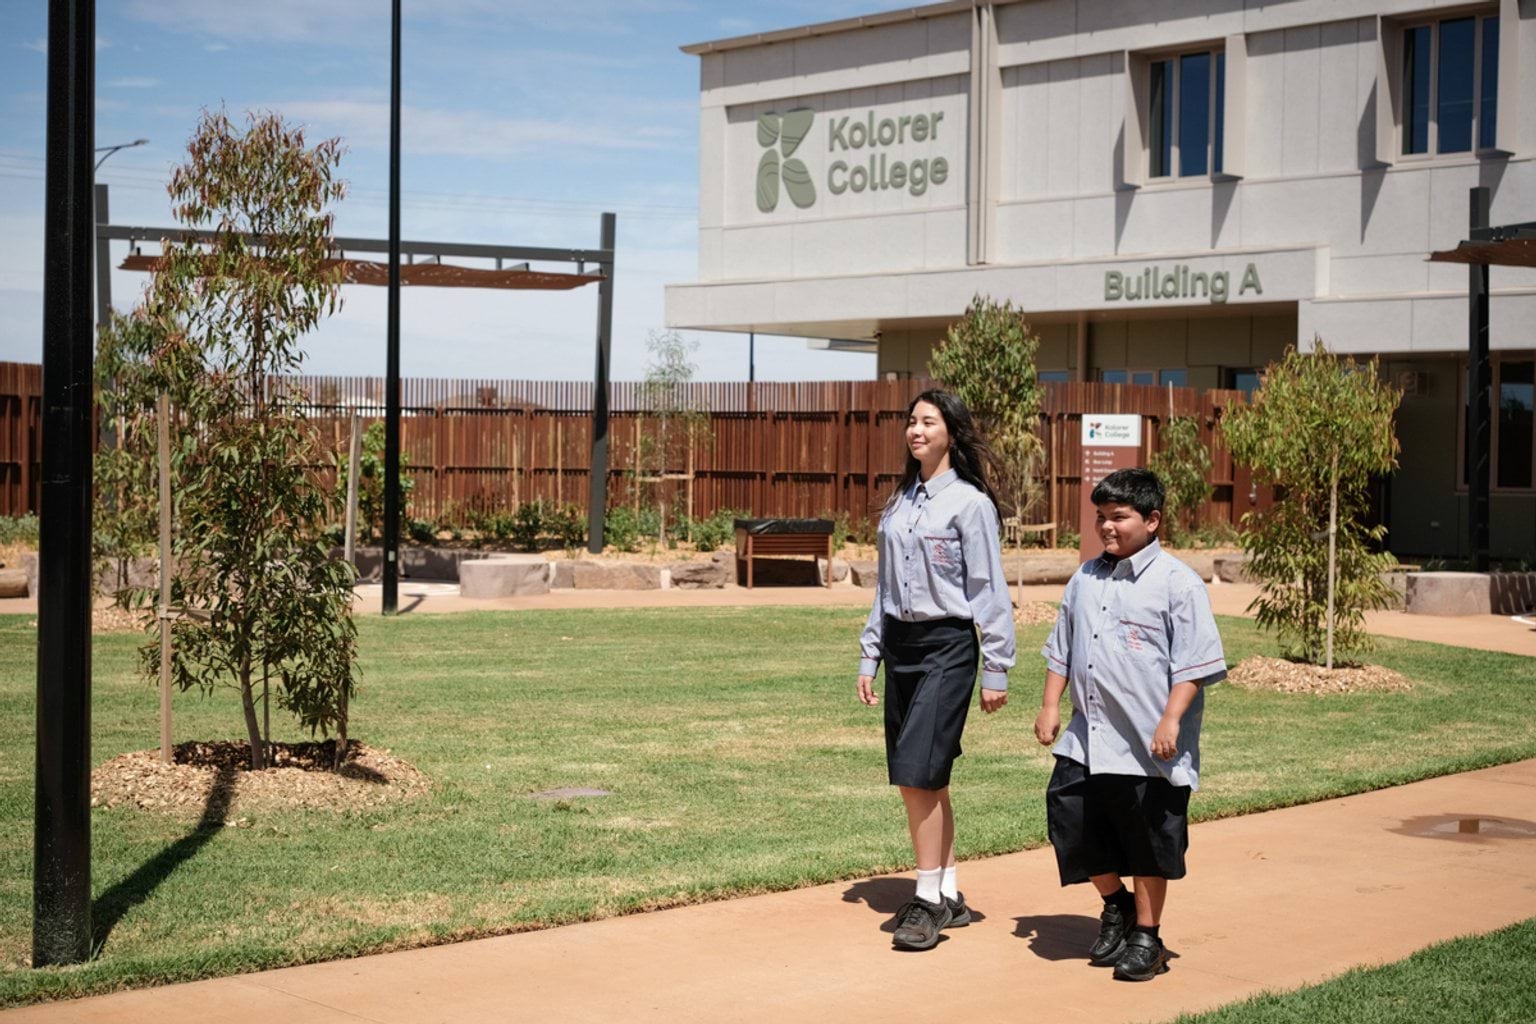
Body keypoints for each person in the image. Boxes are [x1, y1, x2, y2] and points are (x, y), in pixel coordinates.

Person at [1036, 467, 1226, 980]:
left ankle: (1147, 936)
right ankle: (1115, 903)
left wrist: (1170, 720)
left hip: (1149, 744)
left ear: (1152, 519)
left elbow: (1195, 665)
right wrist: (1052, 705)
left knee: (1145, 840)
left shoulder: (1177, 584)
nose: (1108, 527)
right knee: (1072, 824)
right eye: (1101, 517)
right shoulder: (1086, 577)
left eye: (1119, 517)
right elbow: (1062, 648)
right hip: (1088, 736)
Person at [856, 388, 1016, 951]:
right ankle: (947, 892)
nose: (915, 429)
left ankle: (925, 903)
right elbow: (885, 587)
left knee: (916, 776)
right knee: (929, 779)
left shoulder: (970, 504)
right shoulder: (900, 502)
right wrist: (870, 652)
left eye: (928, 421)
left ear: (952, 431)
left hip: (948, 647)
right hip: (900, 645)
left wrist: (997, 666)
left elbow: (988, 590)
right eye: (911, 421)